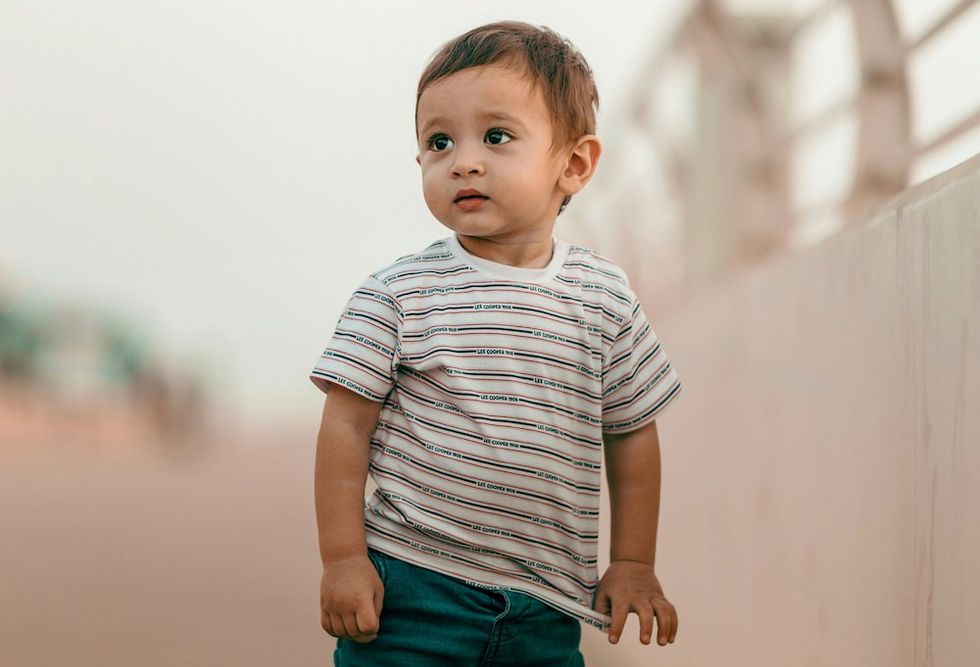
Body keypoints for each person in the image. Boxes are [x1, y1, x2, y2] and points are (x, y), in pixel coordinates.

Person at [311, 20, 683, 666]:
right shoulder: (398, 293)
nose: (465, 159)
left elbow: (630, 433)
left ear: (574, 164)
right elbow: (346, 426)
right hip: (411, 589)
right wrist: (343, 557)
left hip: (547, 605)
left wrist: (632, 561)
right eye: (439, 141)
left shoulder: (605, 297)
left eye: (497, 136)